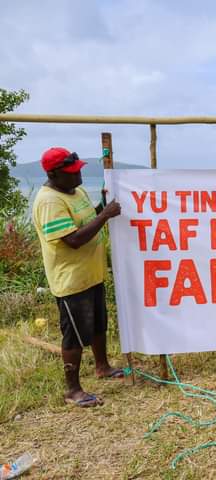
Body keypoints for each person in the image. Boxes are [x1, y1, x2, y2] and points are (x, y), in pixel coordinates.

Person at [32, 147, 123, 407]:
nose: (78, 177)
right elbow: (73, 239)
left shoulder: (77, 191)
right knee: (73, 335)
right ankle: (73, 390)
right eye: (71, 173)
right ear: (53, 174)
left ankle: (102, 367)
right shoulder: (50, 201)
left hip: (91, 274)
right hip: (71, 280)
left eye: (78, 170)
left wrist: (101, 208)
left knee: (97, 325)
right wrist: (105, 216)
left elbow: (87, 219)